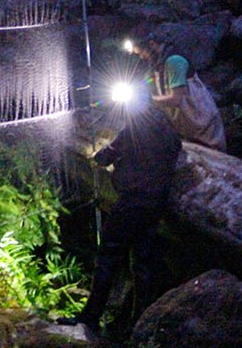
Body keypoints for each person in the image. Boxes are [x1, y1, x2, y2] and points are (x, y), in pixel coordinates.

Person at [62, 94, 182, 332]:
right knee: (142, 262)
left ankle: (90, 317)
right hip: (156, 203)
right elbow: (175, 149)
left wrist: (101, 155)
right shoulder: (165, 127)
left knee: (108, 256)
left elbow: (105, 156)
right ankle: (138, 324)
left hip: (132, 202)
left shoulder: (135, 129)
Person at [132, 34, 226, 152]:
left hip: (202, 126)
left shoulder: (174, 61)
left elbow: (175, 99)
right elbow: (149, 83)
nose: (141, 57)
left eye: (141, 52)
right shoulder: (155, 64)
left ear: (151, 44)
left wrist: (147, 101)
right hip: (185, 128)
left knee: (213, 163)